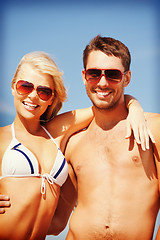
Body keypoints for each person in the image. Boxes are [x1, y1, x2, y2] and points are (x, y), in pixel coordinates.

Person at [0, 51, 151, 239]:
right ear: (13, 87)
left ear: (52, 98)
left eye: (44, 91)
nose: (33, 96)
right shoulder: (2, 137)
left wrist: (134, 107)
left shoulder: (58, 133)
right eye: (25, 86)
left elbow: (105, 103)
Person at [46, 35, 160, 240]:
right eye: (94, 73)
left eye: (113, 74)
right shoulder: (73, 142)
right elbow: (57, 222)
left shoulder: (152, 129)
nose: (103, 82)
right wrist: (12, 209)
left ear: (127, 78)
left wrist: (133, 105)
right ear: (84, 76)